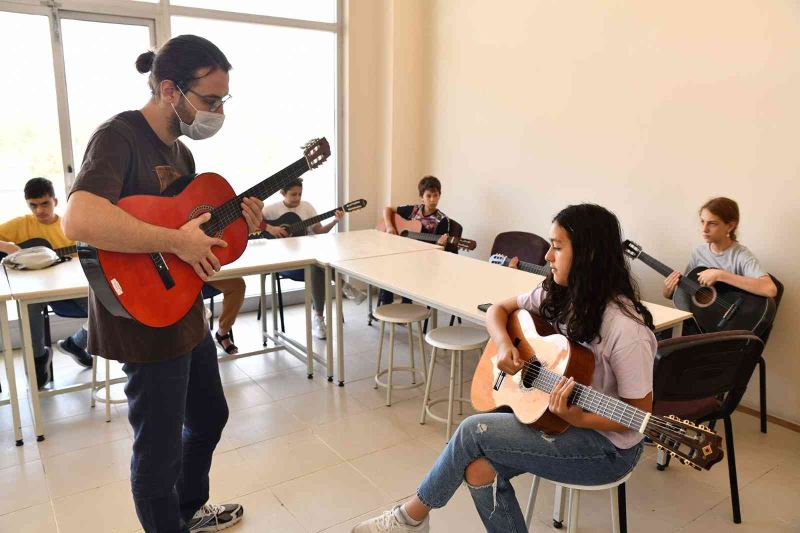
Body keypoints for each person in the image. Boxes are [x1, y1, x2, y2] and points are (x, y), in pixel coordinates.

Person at [63, 35, 264, 532]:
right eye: (210, 100)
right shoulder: (119, 136)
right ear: (170, 90)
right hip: (142, 318)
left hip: (184, 311)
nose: (218, 112)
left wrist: (241, 223)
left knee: (210, 417)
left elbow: (194, 236)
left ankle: (189, 510)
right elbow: (79, 218)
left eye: (223, 101)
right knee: (157, 456)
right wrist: (175, 241)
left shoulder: (181, 154)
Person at [353, 204, 656, 532]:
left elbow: (637, 417)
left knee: (472, 430)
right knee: (478, 469)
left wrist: (576, 416)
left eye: (556, 247)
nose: (547, 258)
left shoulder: (626, 330)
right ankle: (412, 519)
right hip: (561, 421)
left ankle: (409, 518)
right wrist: (504, 345)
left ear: (589, 253)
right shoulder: (559, 294)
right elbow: (498, 309)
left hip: (605, 448)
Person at [0, 177, 93, 389]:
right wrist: (8, 246)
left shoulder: (68, 225)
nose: (39, 210)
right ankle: (39, 358)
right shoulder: (21, 224)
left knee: (100, 310)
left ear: (55, 201)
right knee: (29, 309)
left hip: (66, 289)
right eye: (33, 205)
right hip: (32, 289)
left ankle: (75, 344)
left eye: (44, 203)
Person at [261, 177, 365, 340]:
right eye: (293, 194)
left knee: (317, 266)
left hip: (306, 260)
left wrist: (335, 220)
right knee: (317, 267)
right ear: (282, 193)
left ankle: (318, 318)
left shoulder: (307, 207)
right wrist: (271, 229)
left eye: (300, 194)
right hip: (283, 263)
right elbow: (255, 228)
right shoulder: (270, 211)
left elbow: (319, 231)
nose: (297, 198)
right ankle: (344, 286)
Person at [662, 197, 777, 335]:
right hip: (704, 325)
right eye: (702, 221)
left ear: (730, 226)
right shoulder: (698, 253)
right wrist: (669, 291)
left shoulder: (740, 255)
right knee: (661, 336)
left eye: (712, 223)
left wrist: (721, 275)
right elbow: (688, 291)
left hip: (728, 329)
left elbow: (770, 289)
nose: (704, 229)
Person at [378, 176, 450, 306]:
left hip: (423, 259)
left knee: (405, 266)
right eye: (428, 196)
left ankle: (406, 305)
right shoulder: (414, 210)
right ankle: (386, 304)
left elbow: (439, 253)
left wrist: (440, 245)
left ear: (440, 195)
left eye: (435, 195)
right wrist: (389, 226)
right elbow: (387, 209)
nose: (432, 200)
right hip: (403, 252)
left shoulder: (442, 220)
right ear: (421, 197)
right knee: (387, 263)